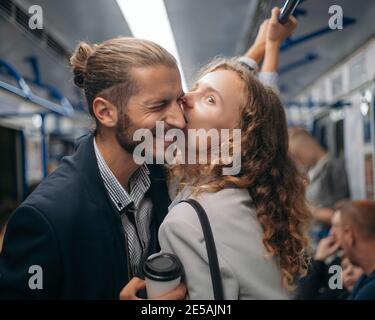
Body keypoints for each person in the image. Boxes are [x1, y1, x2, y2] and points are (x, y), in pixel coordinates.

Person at [0, 38, 187, 299]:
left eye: (179, 101)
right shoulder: (46, 218)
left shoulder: (164, 179)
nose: (179, 120)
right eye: (158, 106)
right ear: (105, 112)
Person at [153, 10, 311, 299]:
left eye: (208, 99)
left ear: (236, 142)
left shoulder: (186, 223)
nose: (185, 97)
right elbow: (260, 115)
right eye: (195, 89)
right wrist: (267, 47)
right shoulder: (255, 191)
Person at [288, 127, 350, 225]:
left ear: (307, 147)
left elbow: (340, 213)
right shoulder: (311, 171)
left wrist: (308, 210)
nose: (299, 162)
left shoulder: (333, 169)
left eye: (298, 156)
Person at [335, 200, 375, 300]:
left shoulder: (368, 292)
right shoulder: (365, 280)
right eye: (344, 267)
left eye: (337, 229)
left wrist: (317, 261)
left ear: (349, 234)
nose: (332, 235)